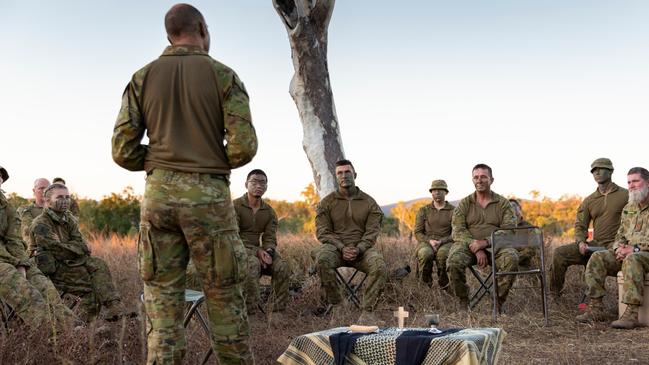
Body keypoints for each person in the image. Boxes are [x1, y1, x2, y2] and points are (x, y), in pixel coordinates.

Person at [111, 4, 257, 364]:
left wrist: (162, 165)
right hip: (209, 200)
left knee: (162, 313)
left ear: (169, 36)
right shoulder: (224, 76)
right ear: (203, 29)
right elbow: (244, 147)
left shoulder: (142, 77)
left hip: (158, 200)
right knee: (225, 304)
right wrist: (205, 161)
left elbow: (122, 150)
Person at [29, 183, 128, 322]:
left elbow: (81, 244)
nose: (65, 201)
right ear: (47, 200)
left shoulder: (68, 219)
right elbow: (57, 250)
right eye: (59, 197)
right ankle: (82, 326)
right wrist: (75, 247)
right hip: (51, 267)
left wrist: (71, 246)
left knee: (98, 263)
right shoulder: (41, 223)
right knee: (90, 285)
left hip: (71, 262)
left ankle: (113, 307)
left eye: (67, 197)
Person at [0, 166, 78, 331]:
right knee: (24, 290)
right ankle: (56, 333)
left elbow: (13, 239)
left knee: (44, 285)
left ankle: (76, 328)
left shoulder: (6, 206)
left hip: (10, 257)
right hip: (4, 261)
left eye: (1, 176)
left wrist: (22, 263)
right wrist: (14, 262)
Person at [313, 159, 387, 323]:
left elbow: (372, 232)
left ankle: (368, 313)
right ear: (336, 176)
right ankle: (339, 307)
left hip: (362, 250)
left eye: (347, 172)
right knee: (322, 259)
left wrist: (359, 248)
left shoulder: (369, 203)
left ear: (355, 174)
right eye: (340, 173)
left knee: (379, 266)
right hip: (335, 249)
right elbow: (323, 232)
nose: (344, 175)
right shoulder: (326, 203)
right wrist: (341, 247)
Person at [576, 167, 649, 328]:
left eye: (636, 181)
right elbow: (620, 235)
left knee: (632, 258)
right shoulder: (629, 208)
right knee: (598, 257)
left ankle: (631, 314)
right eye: (629, 182)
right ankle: (596, 307)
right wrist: (618, 249)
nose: (632, 185)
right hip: (630, 254)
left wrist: (635, 249)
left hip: (642, 255)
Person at [550, 158, 628, 297]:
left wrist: (626, 243)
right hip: (596, 244)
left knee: (602, 259)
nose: (596, 172)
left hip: (617, 244)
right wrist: (581, 242)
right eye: (593, 170)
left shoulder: (626, 195)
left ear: (610, 171)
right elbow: (580, 224)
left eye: (601, 168)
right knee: (559, 253)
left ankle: (602, 302)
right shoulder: (589, 200)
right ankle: (554, 295)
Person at [446, 164, 519, 309]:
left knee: (512, 258)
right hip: (469, 246)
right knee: (453, 261)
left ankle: (497, 301)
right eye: (476, 177)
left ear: (491, 180)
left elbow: (509, 230)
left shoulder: (503, 204)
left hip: (496, 246)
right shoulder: (464, 204)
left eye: (483, 177)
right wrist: (476, 246)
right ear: (472, 180)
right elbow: (458, 230)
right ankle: (463, 301)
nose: (479, 180)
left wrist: (486, 242)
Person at [413, 179, 454, 289]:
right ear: (431, 192)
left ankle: (445, 286)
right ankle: (424, 286)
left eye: (440, 190)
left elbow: (456, 232)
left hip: (446, 242)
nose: (436, 193)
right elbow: (418, 232)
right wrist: (429, 241)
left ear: (446, 192)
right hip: (427, 241)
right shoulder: (424, 210)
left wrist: (442, 241)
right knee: (425, 254)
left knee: (443, 256)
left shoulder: (454, 211)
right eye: (434, 190)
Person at [17, 178, 50, 252]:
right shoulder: (24, 210)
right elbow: (29, 229)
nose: (44, 191)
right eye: (41, 188)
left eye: (47, 189)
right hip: (31, 253)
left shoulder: (59, 211)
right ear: (34, 191)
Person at [508, 198, 536, 268]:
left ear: (519, 209)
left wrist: (516, 257)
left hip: (523, 265)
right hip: (504, 265)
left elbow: (532, 248)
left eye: (514, 206)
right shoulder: (502, 227)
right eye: (509, 206)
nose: (512, 208)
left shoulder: (529, 227)